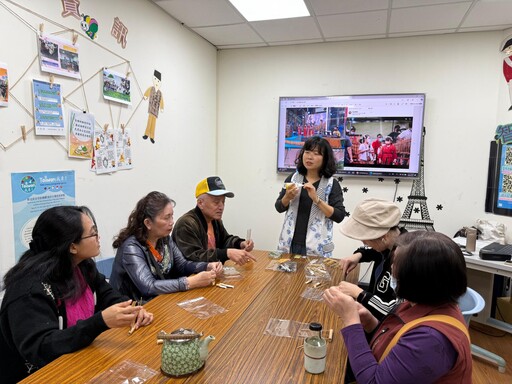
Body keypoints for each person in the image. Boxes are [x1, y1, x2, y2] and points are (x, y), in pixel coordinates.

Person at [0, 206, 154, 383]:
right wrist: (100, 322)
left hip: (75, 358)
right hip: (35, 375)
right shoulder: (28, 289)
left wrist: (131, 309)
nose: (99, 238)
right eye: (93, 233)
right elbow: (41, 347)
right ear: (72, 246)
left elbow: (106, 293)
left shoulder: (82, 265)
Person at [324, 231, 471, 383]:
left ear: (415, 278)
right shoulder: (418, 303)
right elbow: (395, 341)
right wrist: (370, 323)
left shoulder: (431, 339)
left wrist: (351, 322)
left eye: (395, 264)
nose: (391, 268)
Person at [110, 191, 223, 302]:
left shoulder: (164, 239)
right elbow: (149, 287)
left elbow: (182, 265)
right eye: (166, 218)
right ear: (148, 223)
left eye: (172, 216)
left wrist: (206, 266)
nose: (172, 222)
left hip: (158, 300)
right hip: (131, 308)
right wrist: (190, 282)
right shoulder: (131, 247)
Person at [275, 136, 346, 257]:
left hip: (317, 247)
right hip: (290, 243)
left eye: (316, 153)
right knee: (286, 276)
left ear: (325, 159)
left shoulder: (331, 184)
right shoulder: (293, 178)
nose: (309, 157)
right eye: (307, 152)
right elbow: (279, 207)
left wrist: (317, 199)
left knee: (313, 276)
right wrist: (287, 197)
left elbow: (339, 216)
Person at [338, 199, 405, 320]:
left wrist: (359, 293)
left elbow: (397, 311)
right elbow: (375, 251)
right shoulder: (392, 242)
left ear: (383, 237)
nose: (363, 242)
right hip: (372, 312)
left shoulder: (406, 261)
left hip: (386, 325)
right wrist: (358, 255)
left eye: (365, 238)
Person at [172, 177, 256, 265]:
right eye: (216, 202)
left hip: (212, 273)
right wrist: (226, 253)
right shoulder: (186, 224)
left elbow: (225, 240)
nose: (221, 207)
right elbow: (194, 257)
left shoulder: (215, 220)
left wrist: (241, 243)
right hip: (191, 276)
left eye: (223, 202)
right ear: (200, 203)